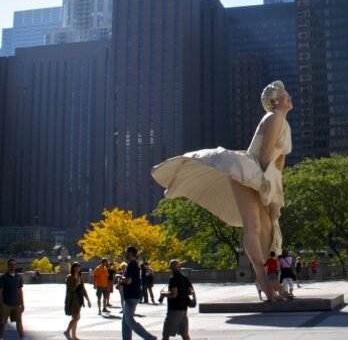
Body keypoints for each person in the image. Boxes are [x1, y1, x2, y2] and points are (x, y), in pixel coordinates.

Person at [153, 81, 293, 302]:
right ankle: (264, 281)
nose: (289, 96)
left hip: (264, 176)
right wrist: (267, 187)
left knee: (268, 230)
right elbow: (265, 156)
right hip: (249, 174)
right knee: (254, 228)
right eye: (285, 94)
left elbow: (277, 161)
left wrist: (274, 186)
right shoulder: (274, 117)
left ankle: (272, 281)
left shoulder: (283, 122)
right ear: (274, 101)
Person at [120, 246, 157, 340]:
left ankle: (149, 337)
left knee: (129, 320)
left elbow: (128, 281)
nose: (125, 254)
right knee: (125, 322)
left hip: (131, 296)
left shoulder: (132, 264)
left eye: (126, 252)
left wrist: (119, 277)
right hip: (132, 295)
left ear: (130, 253)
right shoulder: (133, 264)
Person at [160, 260, 192, 340]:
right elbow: (190, 292)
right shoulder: (185, 278)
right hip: (184, 309)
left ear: (170, 267)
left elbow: (174, 294)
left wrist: (163, 294)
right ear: (179, 267)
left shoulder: (173, 278)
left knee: (166, 334)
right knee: (184, 333)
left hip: (174, 309)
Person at [0, 258, 27, 340]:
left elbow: (20, 290)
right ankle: (1, 338)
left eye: (14, 264)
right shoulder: (3, 277)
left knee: (19, 321)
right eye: (10, 264)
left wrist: (22, 303)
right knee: (2, 322)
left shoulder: (18, 277)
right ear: (8, 266)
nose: (12, 266)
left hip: (16, 303)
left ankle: (22, 337)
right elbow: (0, 290)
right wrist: (2, 302)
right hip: (6, 304)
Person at [65, 262, 92, 340]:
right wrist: (77, 283)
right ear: (72, 268)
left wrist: (88, 300)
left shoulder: (80, 276)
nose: (77, 268)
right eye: (75, 267)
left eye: (78, 267)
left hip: (79, 299)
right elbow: (70, 289)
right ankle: (67, 331)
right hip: (73, 300)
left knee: (75, 318)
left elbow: (83, 289)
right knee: (76, 317)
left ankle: (73, 336)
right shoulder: (70, 277)